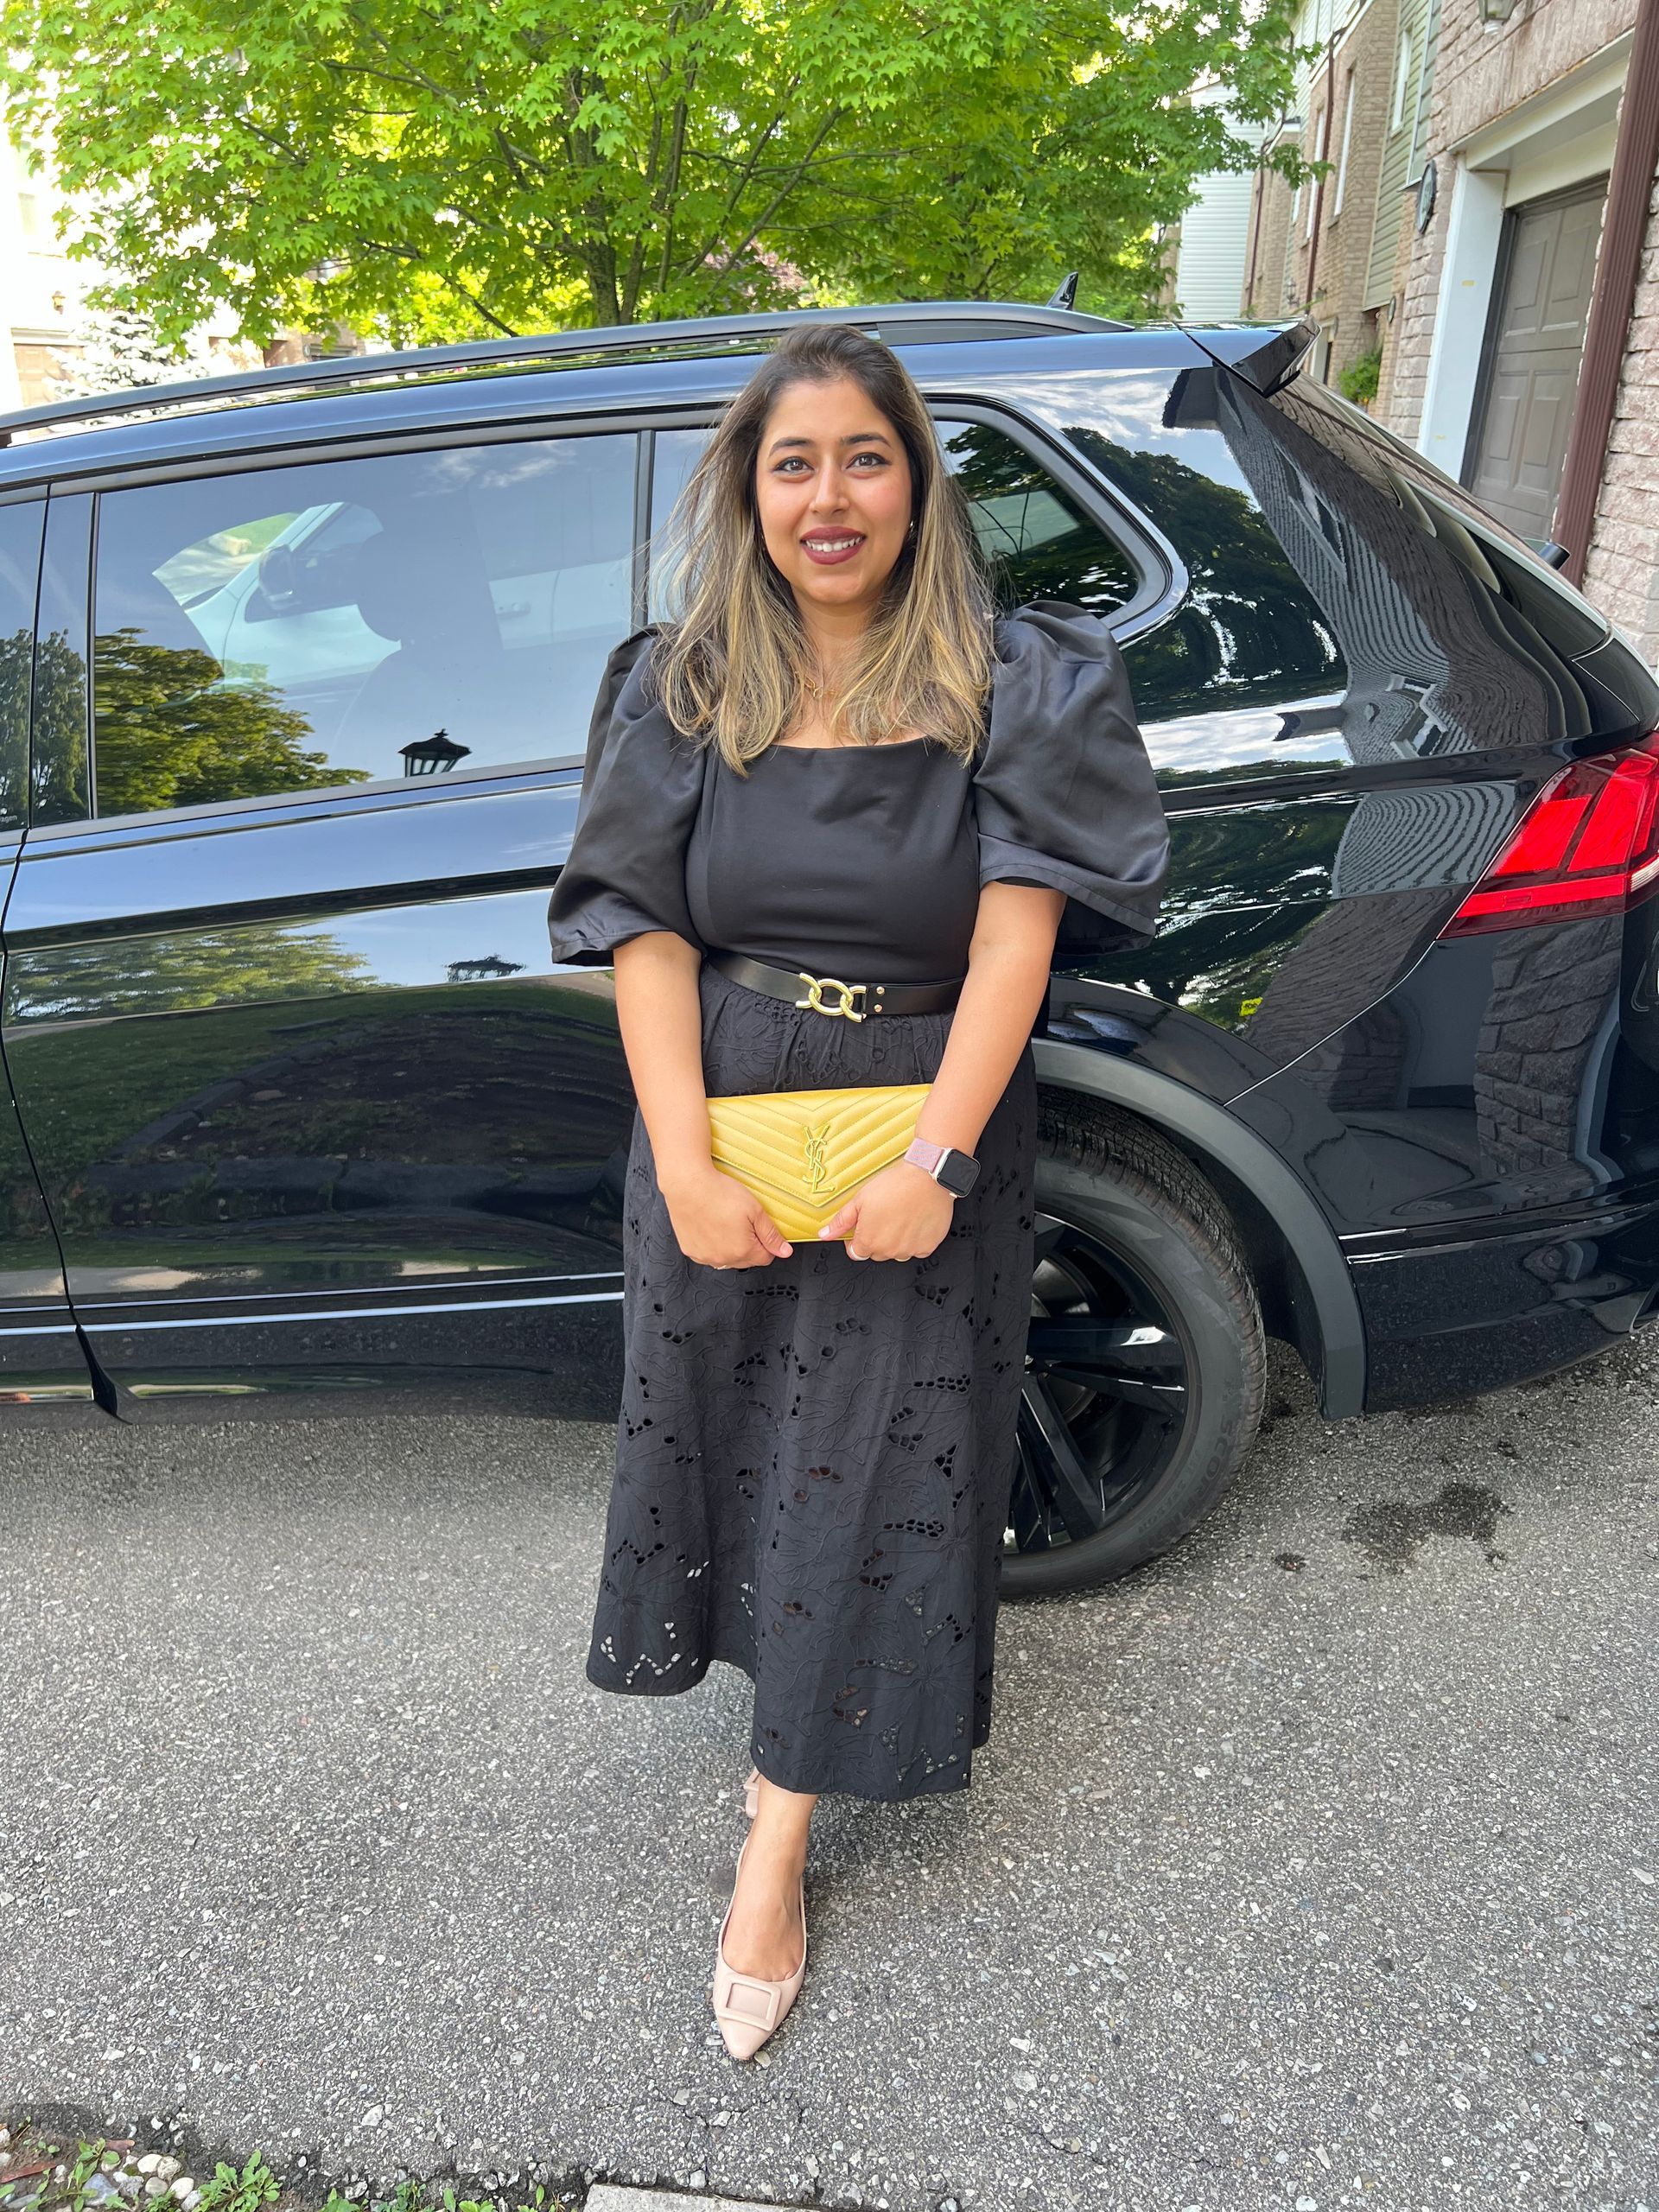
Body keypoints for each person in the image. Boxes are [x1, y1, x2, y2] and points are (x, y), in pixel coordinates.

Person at [546, 321, 1168, 2058]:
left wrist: (940, 1161)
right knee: (737, 1439)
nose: (831, 496)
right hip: (725, 1108)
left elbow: (1014, 941)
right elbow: (644, 933)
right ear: (751, 491)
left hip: (923, 1120)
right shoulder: (678, 681)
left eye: (865, 457)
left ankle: (779, 1835)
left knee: (876, 1458)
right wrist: (683, 1160)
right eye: (794, 461)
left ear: (917, 481)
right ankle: (777, 1715)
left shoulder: (1019, 674)